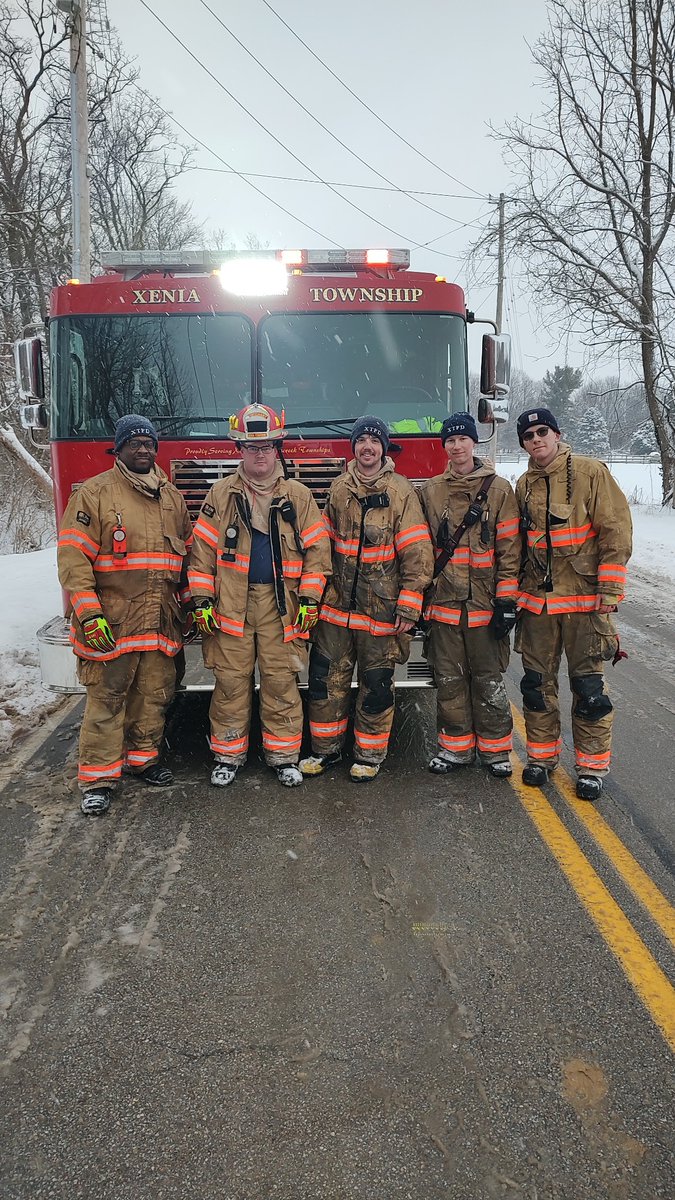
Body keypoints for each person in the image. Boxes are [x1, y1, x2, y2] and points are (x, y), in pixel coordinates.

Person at [188, 403, 331, 788]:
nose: (260, 454)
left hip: (281, 606)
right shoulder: (220, 495)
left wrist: (310, 599)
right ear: (239, 450)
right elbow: (200, 553)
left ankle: (284, 756)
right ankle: (227, 756)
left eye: (267, 446)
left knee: (280, 680)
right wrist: (202, 600)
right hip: (230, 605)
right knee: (231, 683)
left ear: (277, 448)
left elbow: (318, 555)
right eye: (252, 447)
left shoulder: (298, 497)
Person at [57, 414, 193, 816]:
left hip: (159, 619)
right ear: (118, 449)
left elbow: (184, 559)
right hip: (112, 621)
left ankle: (142, 760)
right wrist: (88, 613)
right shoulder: (94, 494)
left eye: (149, 443)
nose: (143, 449)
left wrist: (191, 603)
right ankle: (98, 779)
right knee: (107, 699)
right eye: (133, 443)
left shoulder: (172, 499)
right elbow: (73, 558)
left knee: (154, 695)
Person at [300, 415, 434, 782]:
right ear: (354, 448)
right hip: (336, 608)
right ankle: (324, 752)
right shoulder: (339, 488)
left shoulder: (402, 492)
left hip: (382, 610)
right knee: (325, 681)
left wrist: (409, 601)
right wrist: (316, 592)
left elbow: (417, 549)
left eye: (374, 441)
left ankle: (369, 756)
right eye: (361, 441)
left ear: (384, 448)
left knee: (376, 685)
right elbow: (322, 545)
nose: (367, 447)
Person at [515, 407, 632, 801]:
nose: (536, 440)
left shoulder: (590, 473)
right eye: (528, 435)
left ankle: (591, 768)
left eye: (542, 431)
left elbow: (615, 529)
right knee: (536, 686)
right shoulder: (523, 484)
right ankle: (541, 758)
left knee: (589, 688)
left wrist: (610, 589)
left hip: (583, 603)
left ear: (557, 434)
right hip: (539, 607)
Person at [418, 412, 521, 778]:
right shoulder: (430, 491)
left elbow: (510, 549)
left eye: (463, 439)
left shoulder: (499, 489)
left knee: (488, 679)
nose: (457, 445)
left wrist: (507, 602)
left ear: (473, 443)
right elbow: (422, 549)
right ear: (444, 446)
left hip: (485, 604)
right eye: (450, 440)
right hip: (444, 607)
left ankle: (495, 751)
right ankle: (455, 748)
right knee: (449, 679)